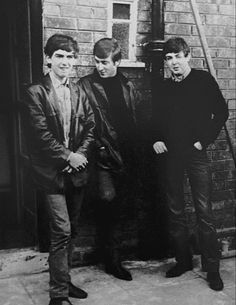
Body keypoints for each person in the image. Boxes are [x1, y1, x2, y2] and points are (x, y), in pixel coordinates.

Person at [22, 34, 95, 305]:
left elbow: (90, 126)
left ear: (75, 60)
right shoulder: (35, 92)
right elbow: (40, 135)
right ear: (49, 58)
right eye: (60, 56)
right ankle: (58, 295)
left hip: (77, 172)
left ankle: (64, 280)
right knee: (62, 231)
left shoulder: (79, 91)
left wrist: (80, 155)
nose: (65, 61)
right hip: (50, 175)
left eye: (70, 56)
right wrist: (68, 156)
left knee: (73, 230)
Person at [152, 37, 228, 291]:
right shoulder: (163, 87)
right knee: (175, 210)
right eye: (168, 58)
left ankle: (212, 268)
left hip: (195, 154)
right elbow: (154, 117)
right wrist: (156, 138)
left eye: (177, 56)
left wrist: (202, 141)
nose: (173, 62)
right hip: (171, 155)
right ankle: (183, 260)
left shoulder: (203, 80)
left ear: (188, 56)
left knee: (203, 211)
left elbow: (221, 112)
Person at [79, 38, 139, 281]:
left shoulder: (127, 85)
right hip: (102, 156)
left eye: (104, 62)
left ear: (117, 62)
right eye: (96, 62)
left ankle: (112, 256)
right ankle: (111, 260)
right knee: (108, 199)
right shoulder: (85, 85)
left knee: (121, 206)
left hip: (125, 155)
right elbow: (82, 122)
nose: (100, 67)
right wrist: (98, 146)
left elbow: (134, 120)